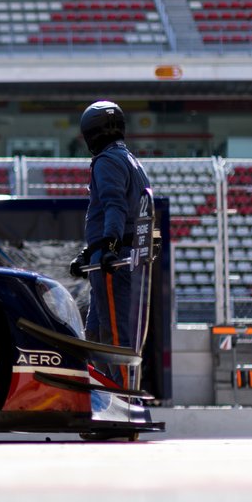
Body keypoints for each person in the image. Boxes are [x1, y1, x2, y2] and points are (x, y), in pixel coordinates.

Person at [69, 100, 151, 385]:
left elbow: (114, 207)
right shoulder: (130, 159)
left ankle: (124, 402)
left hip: (112, 260)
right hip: (112, 255)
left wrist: (110, 247)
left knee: (115, 336)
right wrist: (88, 253)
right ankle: (103, 394)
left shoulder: (106, 161)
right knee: (95, 334)